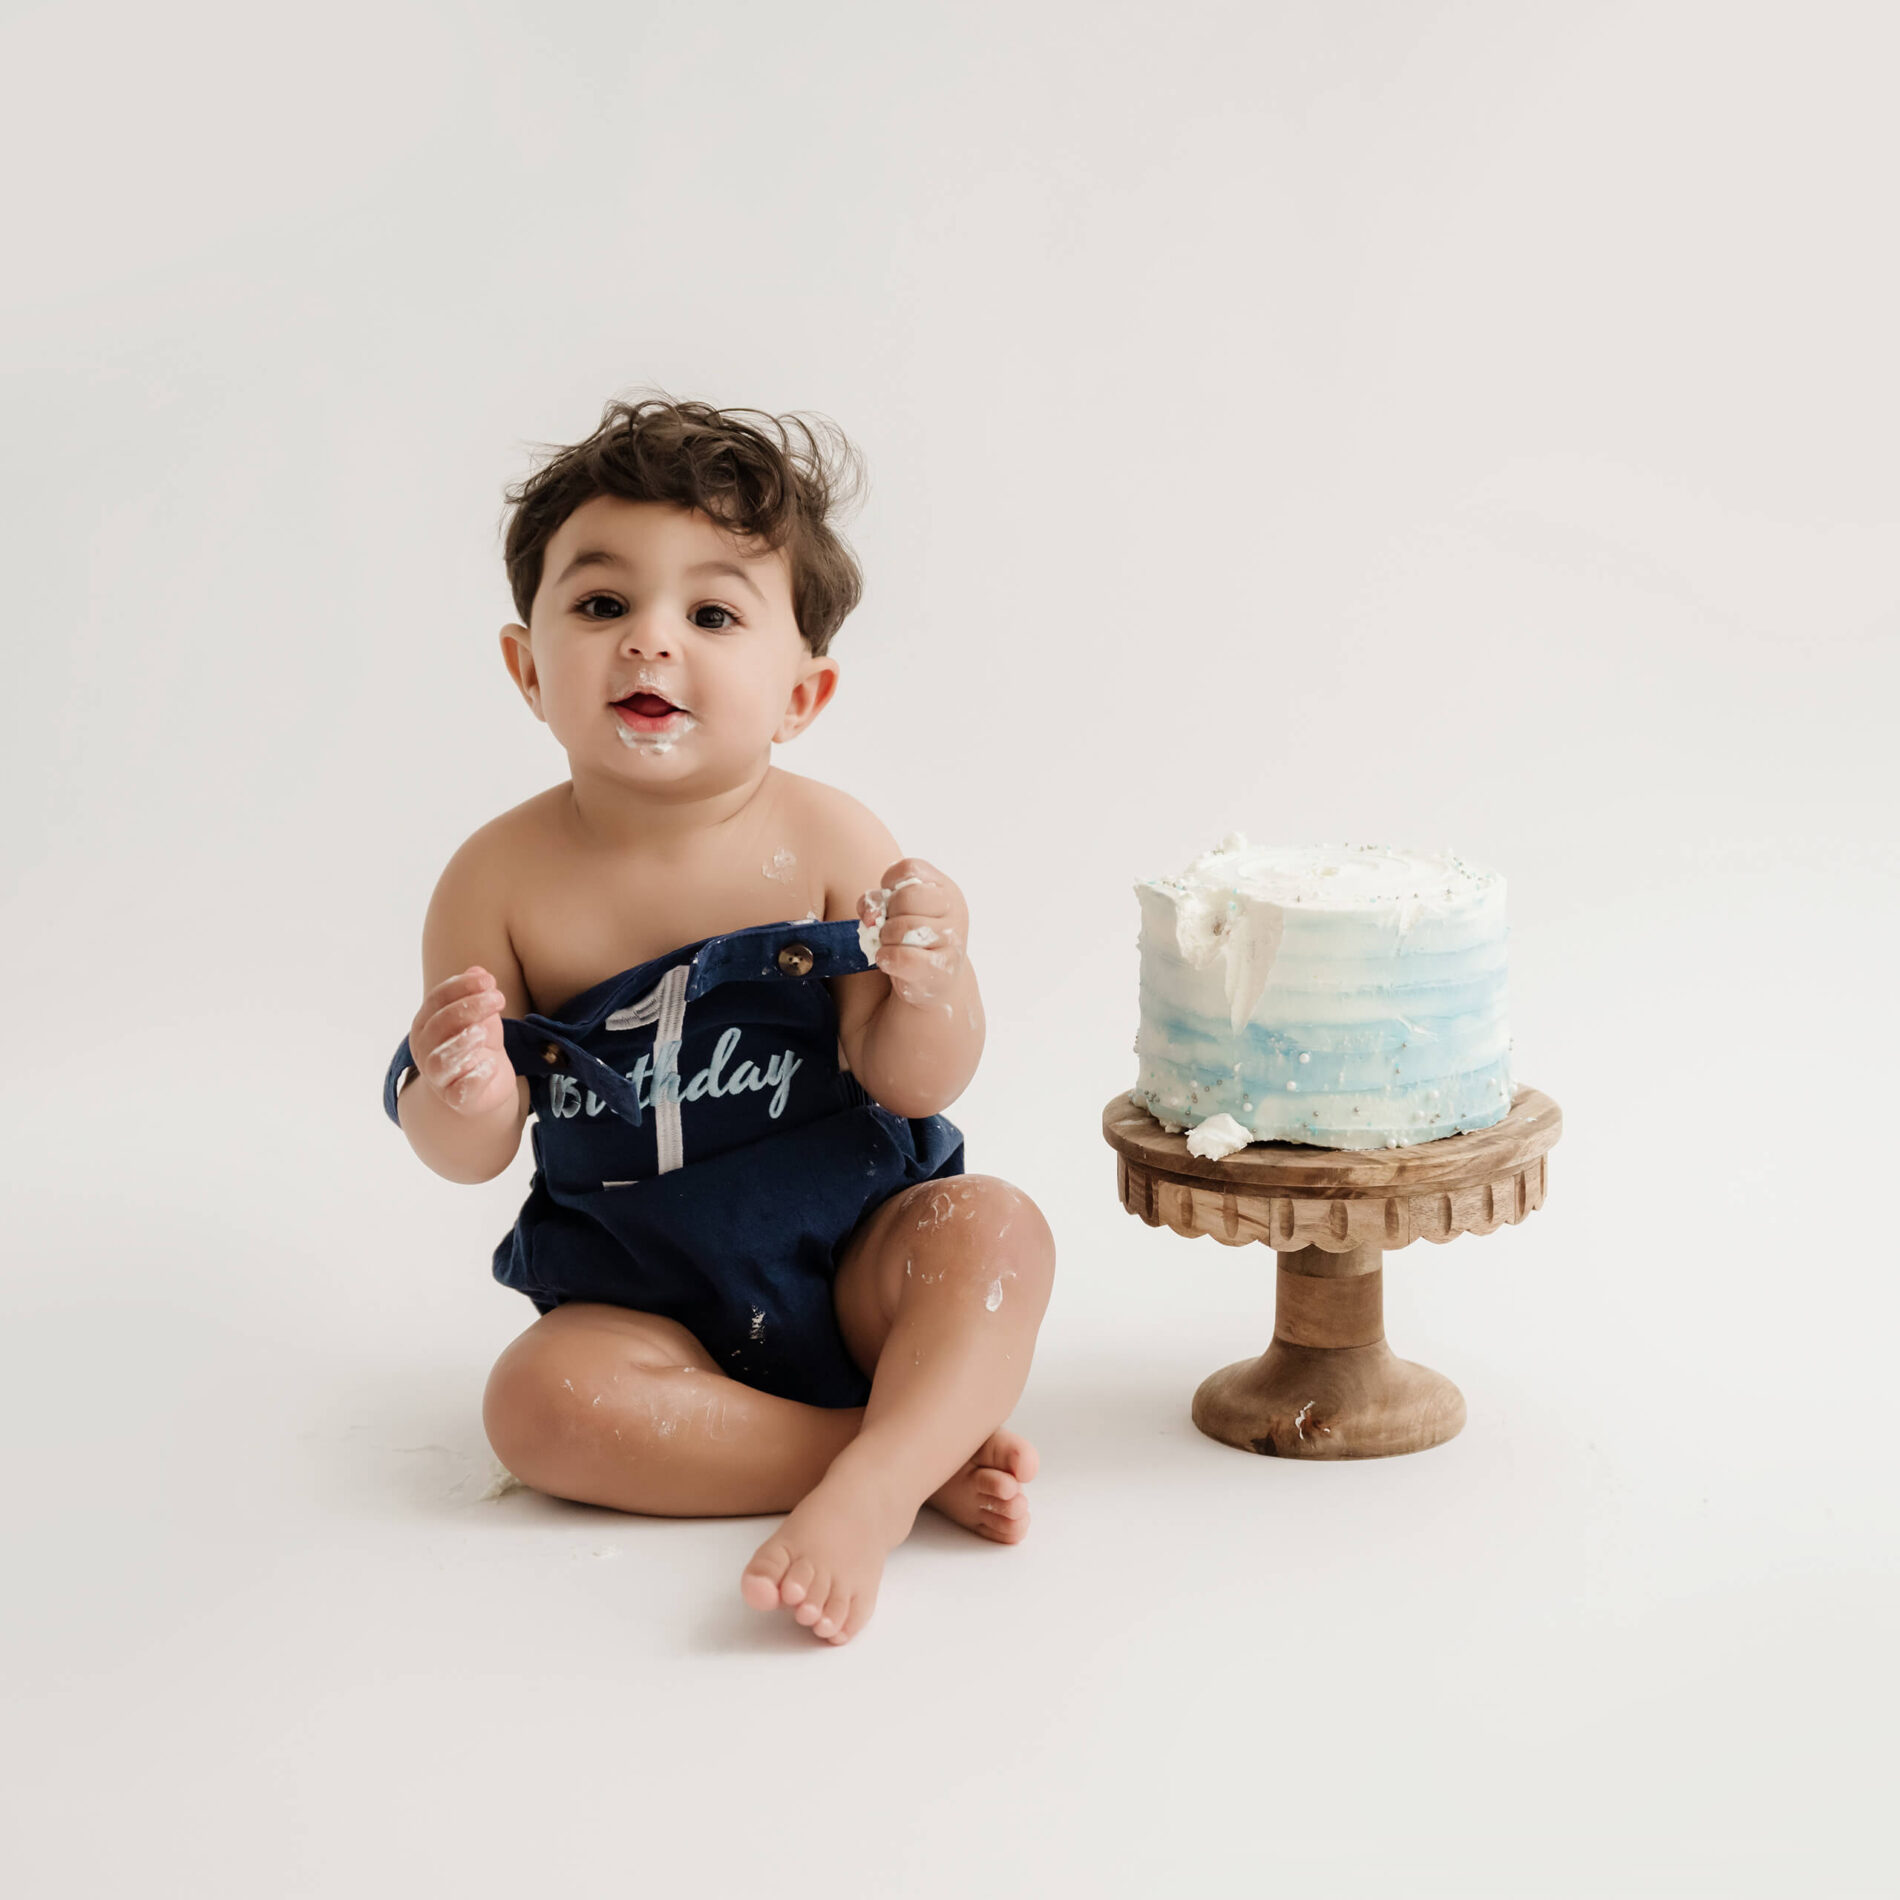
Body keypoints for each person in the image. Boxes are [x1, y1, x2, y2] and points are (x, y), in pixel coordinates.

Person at [381, 395, 1056, 1645]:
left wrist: (934, 980)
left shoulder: (829, 839)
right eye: (600, 606)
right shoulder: (498, 879)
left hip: (856, 1268)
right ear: (529, 669)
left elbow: (913, 1085)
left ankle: (873, 1483)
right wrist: (460, 1087)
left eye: (710, 614)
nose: (649, 642)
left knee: (993, 1231)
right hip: (638, 1307)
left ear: (802, 691)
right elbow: (466, 1147)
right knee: (534, 1405)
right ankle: (883, 1455)